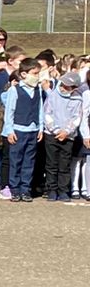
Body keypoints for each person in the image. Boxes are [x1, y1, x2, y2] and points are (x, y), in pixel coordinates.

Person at [1, 58, 45, 202]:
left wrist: (40, 127)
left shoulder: (38, 89)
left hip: (33, 129)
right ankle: (15, 189)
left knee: (29, 161)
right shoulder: (15, 90)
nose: (37, 76)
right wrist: (9, 130)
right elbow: (10, 111)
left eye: (38, 73)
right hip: (18, 130)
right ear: (24, 74)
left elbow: (40, 110)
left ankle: (25, 189)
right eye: (35, 73)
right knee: (16, 161)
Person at [42, 68, 83, 202]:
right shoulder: (53, 95)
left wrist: (66, 131)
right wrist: (56, 130)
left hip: (68, 136)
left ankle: (63, 190)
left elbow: (76, 118)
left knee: (64, 165)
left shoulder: (78, 99)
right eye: (63, 84)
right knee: (51, 164)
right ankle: (51, 190)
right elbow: (47, 114)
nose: (64, 88)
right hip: (51, 135)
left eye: (68, 86)